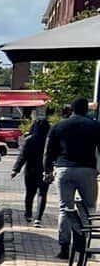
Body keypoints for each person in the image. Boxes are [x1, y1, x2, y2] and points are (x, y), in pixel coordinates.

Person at [47, 98, 100, 256]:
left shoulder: (59, 125)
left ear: (71, 109)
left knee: (65, 208)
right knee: (89, 208)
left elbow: (49, 151)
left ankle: (64, 247)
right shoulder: (95, 126)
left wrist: (47, 170)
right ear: (86, 110)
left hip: (64, 169)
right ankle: (85, 247)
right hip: (87, 170)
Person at [11, 110, 52, 226]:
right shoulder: (49, 141)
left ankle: (28, 214)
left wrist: (16, 169)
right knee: (42, 194)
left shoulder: (29, 140)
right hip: (45, 169)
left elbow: (22, 156)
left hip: (30, 170)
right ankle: (38, 218)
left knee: (30, 193)